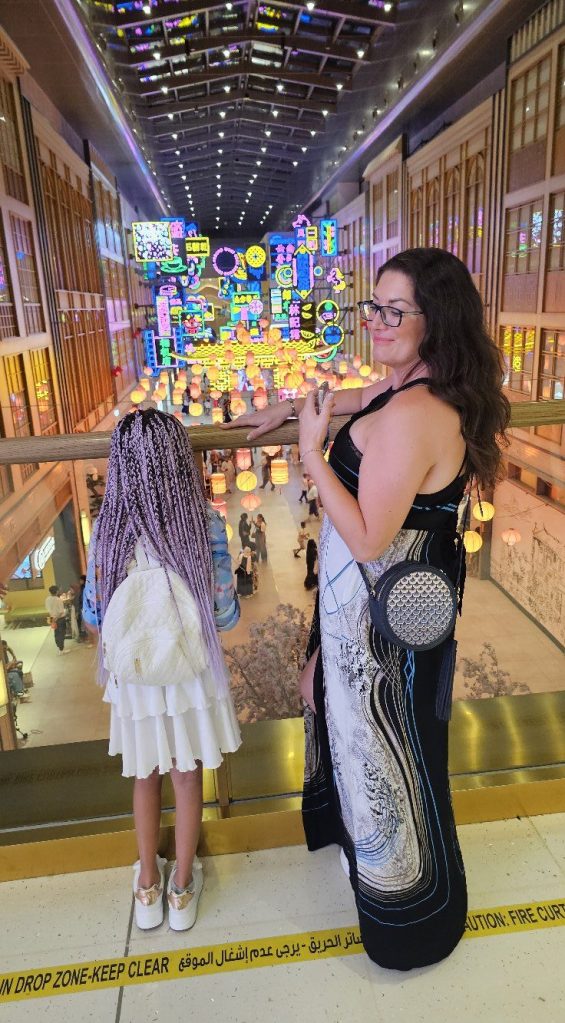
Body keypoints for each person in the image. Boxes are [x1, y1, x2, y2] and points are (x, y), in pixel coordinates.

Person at [221, 248, 510, 971]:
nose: (375, 322)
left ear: (433, 321)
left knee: (388, 763)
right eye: (372, 307)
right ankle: (377, 871)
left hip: (382, 644)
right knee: (367, 756)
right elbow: (355, 405)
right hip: (366, 623)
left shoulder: (416, 414)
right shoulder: (404, 388)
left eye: (393, 311)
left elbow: (369, 533)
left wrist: (311, 454)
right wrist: (289, 408)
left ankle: (409, 922)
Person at [82, 409, 241, 932]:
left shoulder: (108, 532)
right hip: (190, 674)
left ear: (121, 467)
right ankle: (182, 890)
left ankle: (147, 883)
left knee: (144, 773)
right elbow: (224, 615)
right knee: (188, 775)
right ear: (179, 462)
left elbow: (93, 616)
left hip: (137, 675)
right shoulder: (204, 524)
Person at [45, 585, 69, 655]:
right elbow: (61, 611)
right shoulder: (58, 600)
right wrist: (56, 618)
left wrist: (53, 619)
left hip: (52, 618)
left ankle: (59, 648)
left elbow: (48, 609)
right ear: (57, 591)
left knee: (56, 633)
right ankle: (61, 650)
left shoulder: (47, 599)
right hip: (59, 619)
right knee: (61, 633)